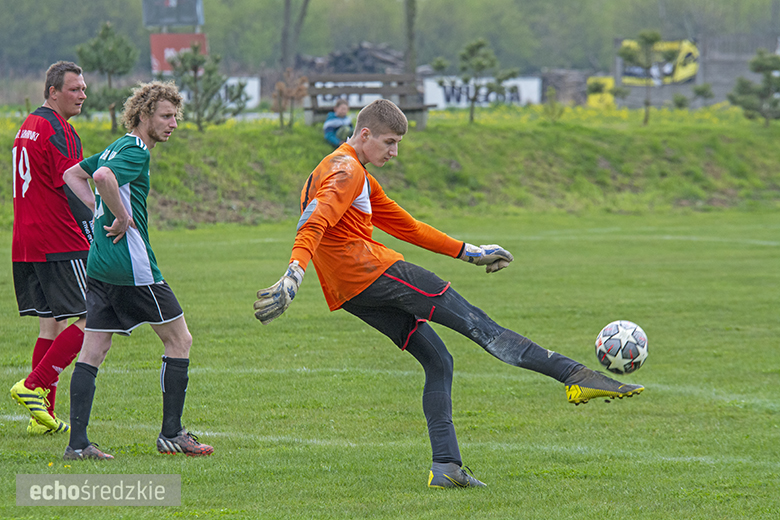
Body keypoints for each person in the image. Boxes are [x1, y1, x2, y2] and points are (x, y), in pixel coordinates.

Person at [254, 99, 644, 489]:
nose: (394, 151)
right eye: (389, 142)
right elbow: (315, 218)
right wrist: (294, 273)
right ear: (366, 133)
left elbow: (408, 227)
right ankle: (575, 375)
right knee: (481, 326)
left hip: (351, 292)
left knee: (438, 359)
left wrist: (470, 251)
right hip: (375, 274)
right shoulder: (347, 170)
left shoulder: (349, 171)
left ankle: (446, 467)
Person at [60, 81, 213, 460]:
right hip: (132, 267)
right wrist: (121, 215)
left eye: (175, 116)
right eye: (165, 115)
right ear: (143, 115)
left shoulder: (116, 145)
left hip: (100, 264)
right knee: (180, 340)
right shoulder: (135, 150)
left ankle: (77, 444)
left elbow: (72, 175)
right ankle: (172, 434)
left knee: (94, 347)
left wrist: (98, 217)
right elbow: (101, 178)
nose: (172, 123)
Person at [10, 61, 94, 435]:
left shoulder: (27, 125)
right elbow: (73, 185)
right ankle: (33, 386)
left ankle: (40, 417)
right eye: (74, 89)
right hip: (59, 238)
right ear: (53, 92)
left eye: (83, 88)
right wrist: (95, 230)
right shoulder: (60, 129)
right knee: (94, 316)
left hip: (26, 238)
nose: (82, 95)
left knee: (52, 323)